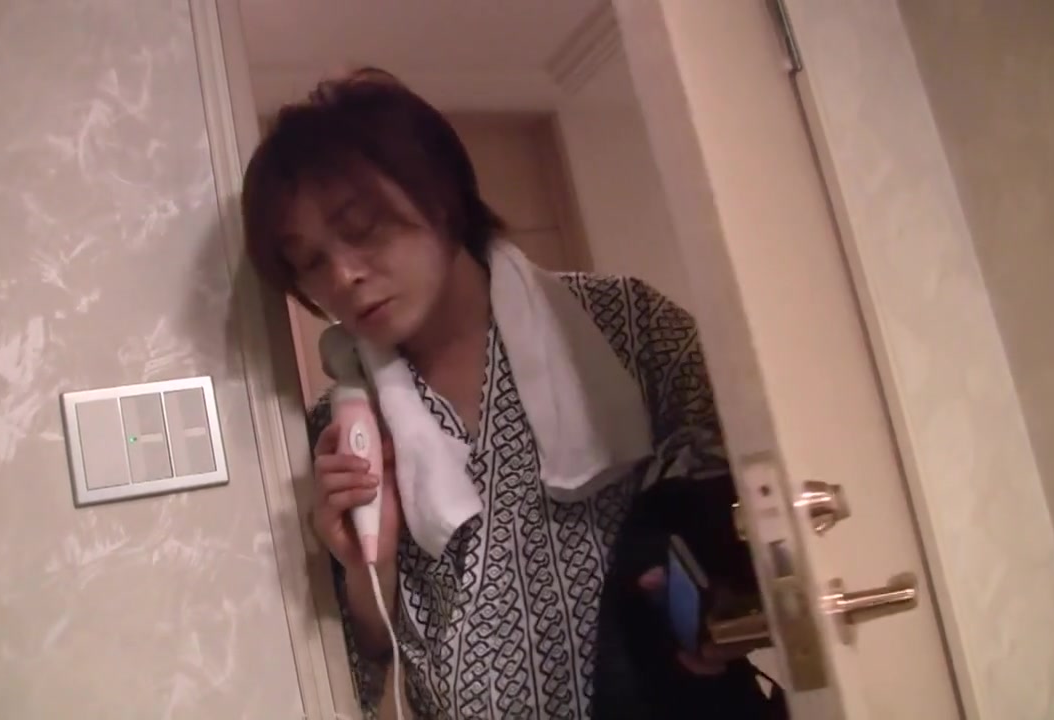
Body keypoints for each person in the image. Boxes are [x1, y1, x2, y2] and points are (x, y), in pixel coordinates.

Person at [241, 68, 761, 719]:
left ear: (441, 196)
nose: (342, 275)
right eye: (310, 261)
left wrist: (724, 606)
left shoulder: (625, 325)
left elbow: (762, 502)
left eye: (364, 226)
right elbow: (369, 653)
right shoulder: (345, 424)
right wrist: (368, 565)